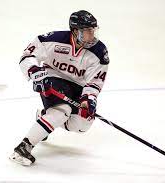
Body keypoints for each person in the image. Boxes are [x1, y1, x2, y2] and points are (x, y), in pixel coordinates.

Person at [9, 10, 109, 166]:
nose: (92, 35)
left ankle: (43, 117)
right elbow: (27, 56)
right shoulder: (53, 40)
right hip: (53, 78)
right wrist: (34, 72)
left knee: (83, 123)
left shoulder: (99, 52)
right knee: (62, 111)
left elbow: (94, 81)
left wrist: (88, 100)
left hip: (77, 86)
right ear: (75, 31)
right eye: (87, 31)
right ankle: (23, 147)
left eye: (93, 30)